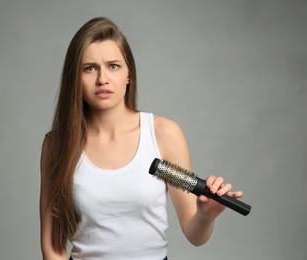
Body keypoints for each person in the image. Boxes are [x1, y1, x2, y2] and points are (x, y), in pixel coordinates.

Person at [39, 17, 243, 260]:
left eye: (113, 66)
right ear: (76, 78)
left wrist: (206, 216)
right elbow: (53, 247)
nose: (102, 78)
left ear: (128, 74)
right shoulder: (57, 145)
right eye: (90, 67)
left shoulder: (163, 134)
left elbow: (194, 234)